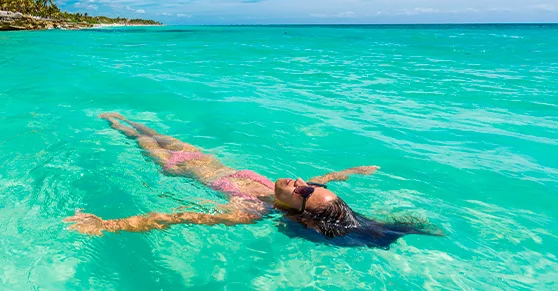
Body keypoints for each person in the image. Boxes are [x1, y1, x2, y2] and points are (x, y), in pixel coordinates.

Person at [65, 113, 441, 248]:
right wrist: (351, 172)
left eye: (304, 191)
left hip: (176, 166)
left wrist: (108, 225)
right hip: (203, 157)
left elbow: (179, 217)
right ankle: (119, 116)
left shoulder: (249, 211)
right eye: (312, 186)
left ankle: (111, 121)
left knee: (136, 137)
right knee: (151, 129)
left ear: (298, 212)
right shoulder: (295, 190)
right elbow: (322, 179)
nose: (302, 181)